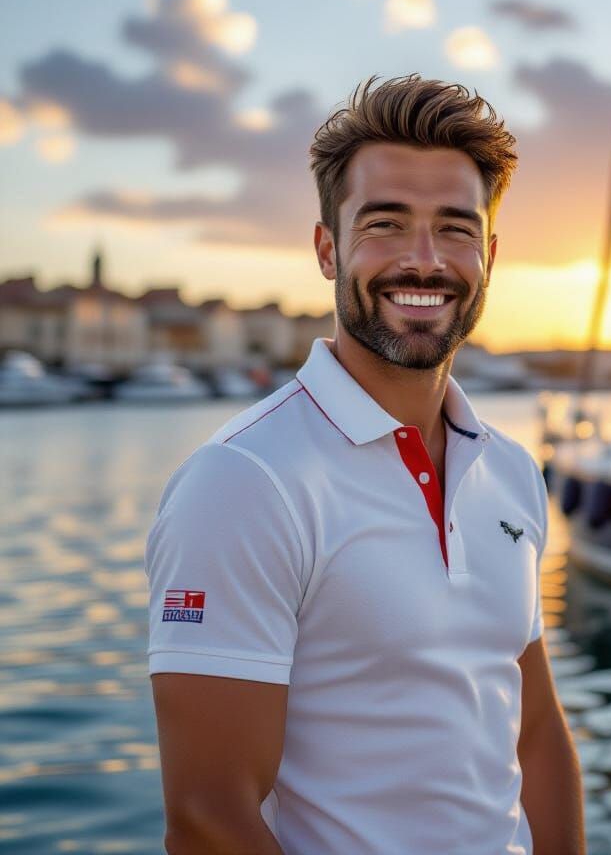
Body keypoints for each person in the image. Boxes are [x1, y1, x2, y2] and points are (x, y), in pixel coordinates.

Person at [145, 75, 585, 854]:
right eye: (386, 224)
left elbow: (535, 732)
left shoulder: (511, 472)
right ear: (328, 249)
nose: (424, 261)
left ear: (488, 256)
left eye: (455, 229)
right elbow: (210, 818)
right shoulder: (244, 482)